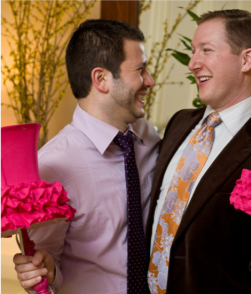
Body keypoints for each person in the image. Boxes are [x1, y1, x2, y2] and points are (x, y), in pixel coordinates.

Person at [146, 9, 251, 294]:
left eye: (206, 50)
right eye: (193, 51)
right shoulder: (179, 123)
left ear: (247, 59)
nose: (192, 63)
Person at [13, 19, 160, 294]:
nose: (149, 81)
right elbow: (45, 271)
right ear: (101, 79)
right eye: (140, 70)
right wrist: (44, 271)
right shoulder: (52, 167)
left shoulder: (148, 136)